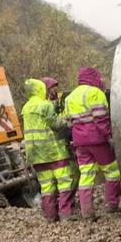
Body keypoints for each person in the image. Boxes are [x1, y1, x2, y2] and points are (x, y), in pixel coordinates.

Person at [62, 67, 121, 219]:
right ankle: (112, 206)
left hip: (79, 143)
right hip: (97, 140)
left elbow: (68, 123)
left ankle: (87, 213)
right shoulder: (95, 93)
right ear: (93, 77)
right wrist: (109, 137)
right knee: (112, 171)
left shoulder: (69, 97)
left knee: (86, 175)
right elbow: (100, 118)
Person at [21, 78, 75, 222]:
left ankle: (50, 216)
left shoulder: (25, 108)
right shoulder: (45, 105)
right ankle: (66, 215)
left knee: (46, 187)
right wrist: (67, 119)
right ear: (41, 89)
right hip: (53, 152)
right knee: (64, 183)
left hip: (36, 154)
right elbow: (56, 124)